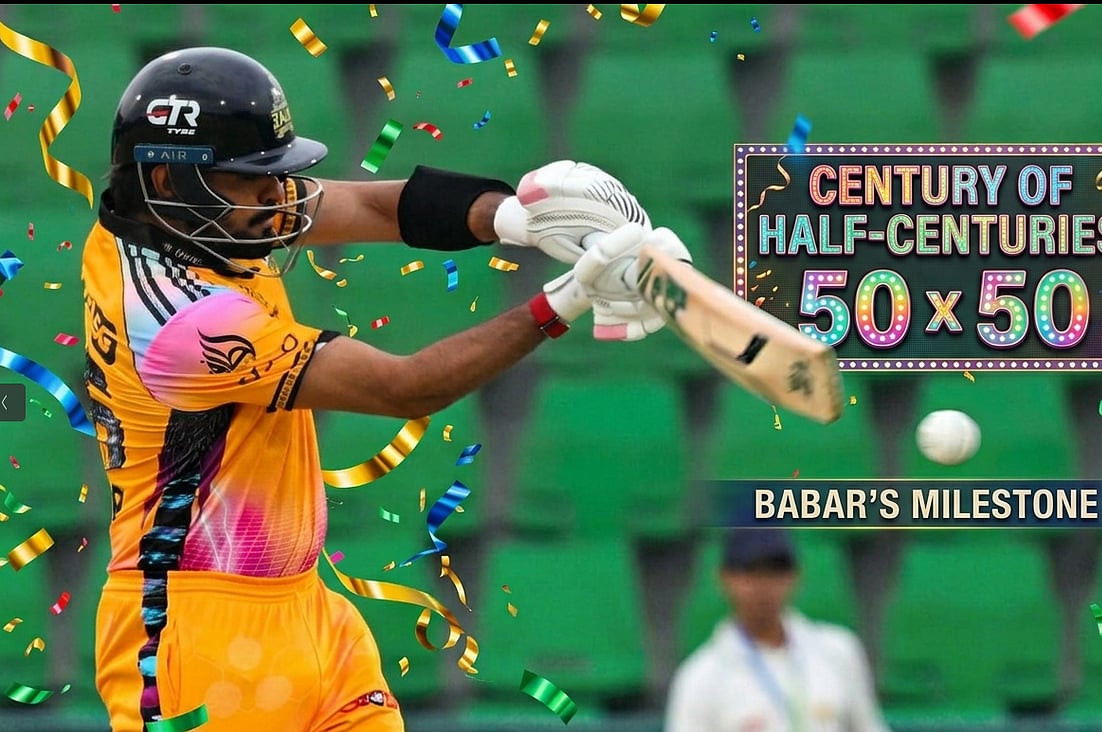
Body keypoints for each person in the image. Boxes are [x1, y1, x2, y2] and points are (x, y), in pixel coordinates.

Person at [83, 46, 689, 732]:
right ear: (167, 177)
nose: (279, 198)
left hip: (307, 611)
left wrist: (517, 219)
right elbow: (405, 388)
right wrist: (567, 299)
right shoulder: (180, 323)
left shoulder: (178, 218)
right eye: (253, 180)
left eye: (276, 174)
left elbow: (371, 206)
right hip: (190, 633)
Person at [665, 529, 891, 732]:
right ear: (725, 578)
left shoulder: (837, 651)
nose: (764, 585)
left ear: (795, 575)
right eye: (751, 571)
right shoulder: (701, 677)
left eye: (775, 571)